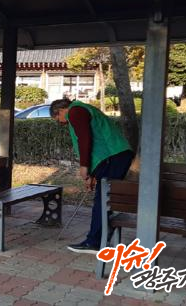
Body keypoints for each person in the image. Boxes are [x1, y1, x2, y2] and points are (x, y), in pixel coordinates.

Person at [50, 98, 134, 254]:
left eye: (58, 119)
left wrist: (84, 167)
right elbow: (95, 139)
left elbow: (84, 139)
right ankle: (102, 238)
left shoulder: (75, 111)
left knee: (103, 200)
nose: (62, 123)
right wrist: (94, 174)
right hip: (114, 156)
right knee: (105, 199)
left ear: (60, 110)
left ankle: (95, 242)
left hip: (112, 156)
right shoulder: (83, 109)